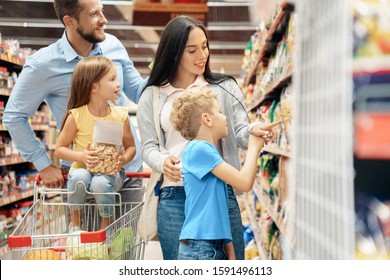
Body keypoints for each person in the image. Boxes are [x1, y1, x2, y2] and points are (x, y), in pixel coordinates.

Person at [137, 15, 276, 260]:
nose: (202, 55)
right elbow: (148, 146)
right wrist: (162, 161)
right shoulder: (153, 94)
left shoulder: (223, 87)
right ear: (174, 52)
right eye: (192, 50)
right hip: (173, 195)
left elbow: (239, 132)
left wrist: (253, 130)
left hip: (218, 191)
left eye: (204, 46)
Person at [3, 0, 147, 190]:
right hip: (81, 176)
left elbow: (138, 92)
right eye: (94, 14)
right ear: (70, 21)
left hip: (127, 171)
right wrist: (43, 164)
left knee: (128, 221)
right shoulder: (43, 65)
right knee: (82, 221)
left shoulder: (114, 46)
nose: (104, 20)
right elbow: (14, 116)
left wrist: (166, 68)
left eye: (102, 12)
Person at [170, 87, 273, 260]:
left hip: (210, 245)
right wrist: (254, 146)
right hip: (201, 248)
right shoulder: (199, 149)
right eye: (220, 112)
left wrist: (229, 250)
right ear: (207, 119)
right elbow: (244, 182)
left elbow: (216, 209)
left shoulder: (206, 151)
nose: (225, 117)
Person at [55, 56, 136, 231]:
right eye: (112, 79)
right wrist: (81, 156)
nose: (118, 84)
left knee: (99, 183)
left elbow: (131, 147)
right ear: (94, 87)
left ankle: (106, 224)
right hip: (81, 169)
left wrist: (123, 160)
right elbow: (59, 149)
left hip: (111, 174)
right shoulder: (76, 115)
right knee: (79, 178)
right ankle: (75, 221)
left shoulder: (120, 115)